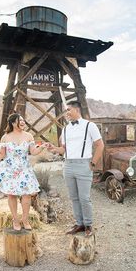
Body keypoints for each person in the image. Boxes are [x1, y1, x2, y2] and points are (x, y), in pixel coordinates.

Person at [45, 101, 104, 237]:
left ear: (77, 110)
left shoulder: (90, 126)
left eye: (68, 110)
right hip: (68, 165)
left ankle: (88, 225)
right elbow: (63, 149)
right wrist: (53, 149)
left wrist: (93, 164)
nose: (66, 113)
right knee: (74, 197)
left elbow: (100, 145)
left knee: (84, 198)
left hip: (84, 165)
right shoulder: (66, 129)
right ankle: (79, 224)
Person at [0, 113, 45, 231]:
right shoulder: (6, 137)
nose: (22, 122)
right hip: (10, 169)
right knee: (12, 194)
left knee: (27, 195)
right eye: (19, 120)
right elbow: (1, 154)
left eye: (23, 120)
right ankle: (15, 220)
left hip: (24, 169)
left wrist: (42, 147)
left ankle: (25, 220)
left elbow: (33, 152)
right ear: (12, 123)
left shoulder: (29, 136)